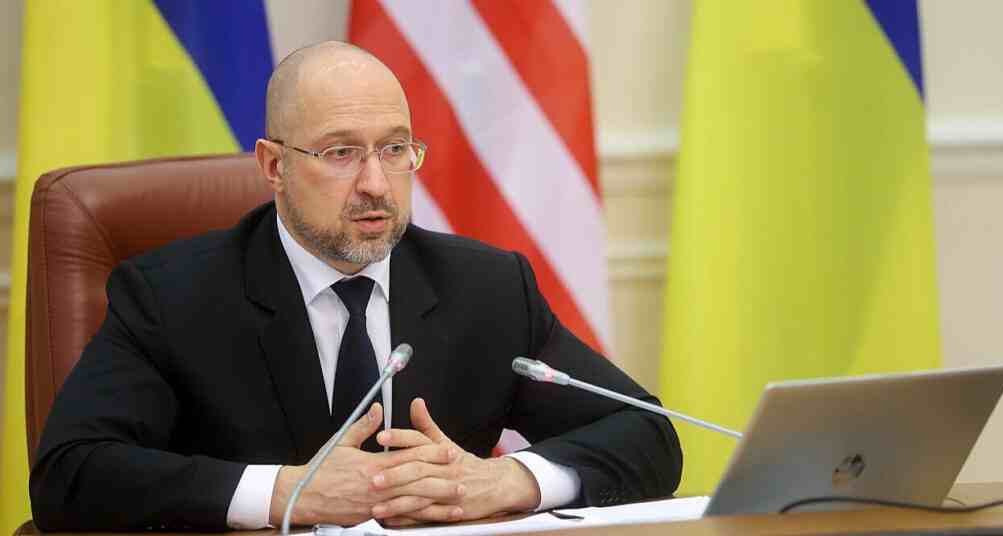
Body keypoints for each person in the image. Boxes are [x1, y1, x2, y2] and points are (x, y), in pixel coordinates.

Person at [29, 41, 682, 531]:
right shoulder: (172, 295)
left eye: (395, 149)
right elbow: (70, 473)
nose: (375, 184)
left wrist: (506, 480)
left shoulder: (485, 287)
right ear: (274, 166)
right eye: (340, 153)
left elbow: (646, 434)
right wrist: (286, 493)